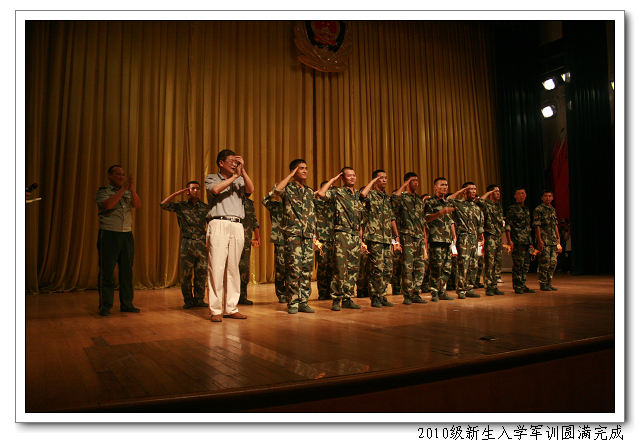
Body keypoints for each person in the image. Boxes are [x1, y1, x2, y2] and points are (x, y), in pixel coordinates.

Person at [204, 150, 254, 322]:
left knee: (233, 268)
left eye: (236, 161)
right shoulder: (212, 178)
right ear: (221, 163)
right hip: (219, 222)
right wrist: (234, 177)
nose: (234, 164)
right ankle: (215, 310)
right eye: (231, 161)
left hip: (237, 224)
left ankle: (231, 308)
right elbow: (215, 190)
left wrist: (243, 171)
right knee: (216, 267)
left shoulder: (239, 179)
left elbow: (251, 189)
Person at [95, 165, 142, 316]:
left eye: (123, 175)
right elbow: (108, 205)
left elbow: (137, 205)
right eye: (118, 174)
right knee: (107, 272)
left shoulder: (128, 191)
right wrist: (122, 189)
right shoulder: (103, 191)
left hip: (126, 234)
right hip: (109, 233)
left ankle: (127, 304)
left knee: (127, 272)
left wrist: (131, 189)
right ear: (110, 175)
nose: (122, 177)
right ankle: (105, 305)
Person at [317, 167, 365, 311]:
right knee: (340, 267)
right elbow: (321, 193)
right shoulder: (337, 192)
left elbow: (359, 218)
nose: (352, 177)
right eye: (349, 175)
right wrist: (333, 179)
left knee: (353, 268)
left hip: (355, 235)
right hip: (342, 234)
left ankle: (348, 298)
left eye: (354, 175)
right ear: (342, 178)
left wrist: (360, 237)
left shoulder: (357, 195)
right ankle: (337, 299)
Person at [275, 160, 316, 314]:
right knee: (294, 269)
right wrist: (290, 175)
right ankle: (293, 302)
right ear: (293, 171)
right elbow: (276, 190)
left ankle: (303, 301)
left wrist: (314, 235)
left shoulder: (309, 191)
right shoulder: (288, 188)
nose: (305, 171)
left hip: (307, 236)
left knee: (307, 270)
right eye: (301, 168)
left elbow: (312, 214)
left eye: (306, 168)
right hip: (293, 235)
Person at [160, 181, 210, 309]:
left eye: (198, 189)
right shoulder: (181, 206)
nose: (196, 191)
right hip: (187, 243)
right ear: (187, 191)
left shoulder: (205, 207)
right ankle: (188, 300)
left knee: (201, 273)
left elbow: (211, 224)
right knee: (186, 274)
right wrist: (177, 194)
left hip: (201, 243)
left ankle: (199, 299)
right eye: (193, 189)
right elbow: (163, 204)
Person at [360, 170, 398, 308]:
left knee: (388, 269)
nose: (384, 180)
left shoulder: (387, 198)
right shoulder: (371, 194)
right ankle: (375, 296)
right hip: (374, 237)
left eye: (386, 178)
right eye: (381, 178)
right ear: (375, 180)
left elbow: (392, 217)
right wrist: (372, 182)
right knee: (377, 268)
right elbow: (362, 195)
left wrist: (396, 235)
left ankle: (382, 295)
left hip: (387, 238)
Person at [392, 172, 428, 305]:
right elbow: (394, 200)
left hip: (419, 237)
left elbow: (422, 220)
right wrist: (403, 186)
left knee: (420, 267)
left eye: (417, 180)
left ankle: (416, 293)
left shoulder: (419, 200)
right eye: (413, 180)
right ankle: (407, 295)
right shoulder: (402, 197)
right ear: (407, 182)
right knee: (407, 268)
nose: (416, 183)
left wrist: (424, 237)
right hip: (407, 236)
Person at [449, 182, 484, 299]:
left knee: (474, 264)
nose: (473, 191)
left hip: (474, 237)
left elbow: (480, 224)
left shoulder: (476, 207)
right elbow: (448, 199)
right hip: (463, 237)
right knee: (463, 264)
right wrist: (460, 191)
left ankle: (469, 288)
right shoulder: (459, 204)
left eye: (475, 189)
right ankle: (461, 289)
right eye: (471, 189)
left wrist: (482, 237)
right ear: (465, 191)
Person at [424, 177, 456, 302]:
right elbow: (426, 218)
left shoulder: (448, 202)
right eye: (442, 185)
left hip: (447, 239)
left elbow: (451, 221)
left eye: (446, 185)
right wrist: (441, 212)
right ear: (435, 187)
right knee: (436, 266)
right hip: (435, 239)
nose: (445, 187)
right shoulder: (430, 202)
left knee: (447, 268)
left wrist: (454, 236)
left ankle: (442, 291)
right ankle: (434, 292)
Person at [505, 187, 535, 294]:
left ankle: (523, 284)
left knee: (525, 264)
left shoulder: (526, 209)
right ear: (515, 196)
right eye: (519, 193)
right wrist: (509, 240)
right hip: (517, 240)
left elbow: (528, 227)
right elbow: (508, 226)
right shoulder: (512, 209)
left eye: (523, 193)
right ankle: (517, 285)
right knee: (518, 264)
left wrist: (530, 242)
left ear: (526, 195)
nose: (521, 195)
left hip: (526, 241)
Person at [476, 185, 506, 296]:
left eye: (499, 191)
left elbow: (500, 224)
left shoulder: (499, 206)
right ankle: (488, 286)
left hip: (498, 237)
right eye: (496, 191)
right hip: (490, 237)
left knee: (498, 262)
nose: (498, 193)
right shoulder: (487, 204)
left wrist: (502, 239)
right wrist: (489, 192)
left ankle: (494, 286)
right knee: (489, 262)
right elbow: (479, 201)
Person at [262, 185, 287, 303]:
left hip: (295, 240)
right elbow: (265, 201)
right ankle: (281, 293)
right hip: (280, 239)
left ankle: (292, 292)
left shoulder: (294, 206)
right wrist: (274, 193)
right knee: (281, 268)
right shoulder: (276, 205)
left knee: (294, 268)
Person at [533, 190, 561, 291]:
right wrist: (539, 240)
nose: (548, 198)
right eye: (546, 196)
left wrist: (558, 237)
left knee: (553, 263)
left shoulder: (552, 209)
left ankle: (549, 282)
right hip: (544, 240)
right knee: (544, 262)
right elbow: (537, 225)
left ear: (552, 198)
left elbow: (555, 224)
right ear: (542, 198)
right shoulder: (538, 209)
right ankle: (543, 283)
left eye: (549, 196)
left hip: (553, 240)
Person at [313, 181, 336, 301]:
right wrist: (320, 191)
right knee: (322, 266)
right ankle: (322, 293)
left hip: (335, 238)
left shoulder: (336, 204)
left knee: (333, 266)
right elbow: (308, 197)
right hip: (321, 238)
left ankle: (332, 291)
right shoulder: (317, 203)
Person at [239, 195, 261, 305]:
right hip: (232, 239)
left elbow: (254, 221)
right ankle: (230, 297)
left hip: (246, 241)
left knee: (244, 269)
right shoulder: (232, 199)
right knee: (231, 269)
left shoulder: (249, 203)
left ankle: (242, 296)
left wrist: (258, 236)